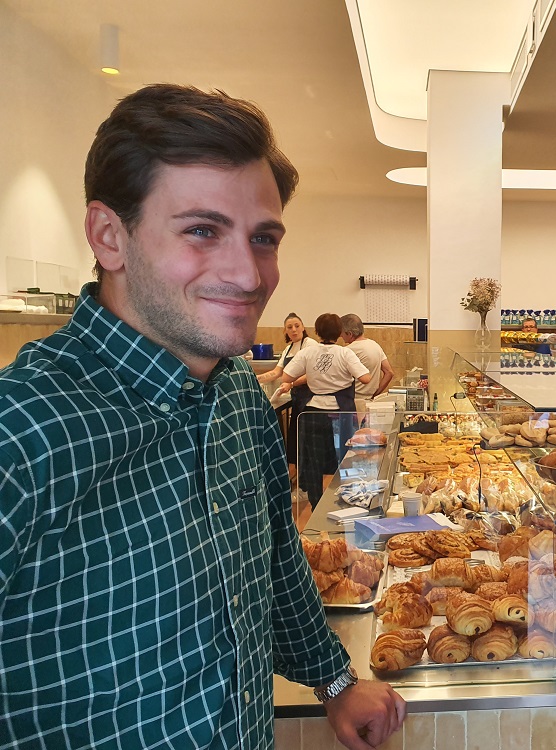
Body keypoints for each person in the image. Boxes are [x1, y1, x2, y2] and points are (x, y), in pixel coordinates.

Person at [0, 85, 404, 749]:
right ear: (109, 236)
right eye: (201, 230)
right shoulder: (24, 427)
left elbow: (275, 558)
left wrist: (335, 681)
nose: (249, 273)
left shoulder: (240, 395)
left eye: (264, 238)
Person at [281, 313, 371, 508]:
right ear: (339, 332)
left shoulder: (308, 352)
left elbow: (286, 376)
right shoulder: (345, 353)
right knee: (345, 458)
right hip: (340, 414)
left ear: (317, 332)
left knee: (313, 462)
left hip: (312, 414)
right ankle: (347, 502)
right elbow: (365, 378)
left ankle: (316, 504)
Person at [257, 312, 319, 463]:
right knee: (297, 436)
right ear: (285, 331)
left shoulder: (310, 344)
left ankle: (309, 474)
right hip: (297, 398)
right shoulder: (288, 350)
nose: (294, 330)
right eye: (289, 327)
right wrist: (255, 378)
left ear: (303, 327)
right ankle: (297, 471)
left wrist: (291, 383)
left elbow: (314, 373)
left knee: (309, 438)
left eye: (297, 326)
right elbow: (277, 372)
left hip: (311, 397)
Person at [340, 313, 395, 415]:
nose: (340, 336)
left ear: (350, 334)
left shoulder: (348, 351)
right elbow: (389, 372)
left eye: (342, 333)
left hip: (353, 403)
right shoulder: (375, 345)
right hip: (370, 402)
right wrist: (375, 393)